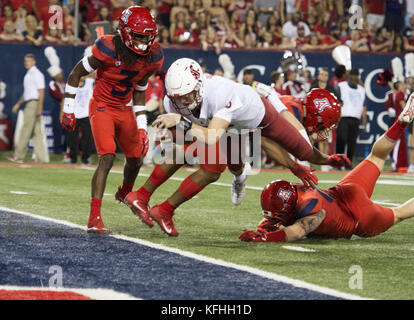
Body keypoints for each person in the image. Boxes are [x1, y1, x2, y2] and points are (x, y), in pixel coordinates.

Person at [125, 58, 342, 237]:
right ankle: (146, 199)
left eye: (187, 95)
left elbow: (258, 136)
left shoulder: (222, 93)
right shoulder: (177, 99)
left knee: (297, 152)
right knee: (195, 158)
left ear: (199, 86)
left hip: (257, 117)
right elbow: (193, 136)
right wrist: (176, 135)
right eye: (178, 98)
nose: (183, 102)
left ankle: (239, 178)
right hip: (224, 123)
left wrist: (316, 161)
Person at [239, 93, 414, 242]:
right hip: (345, 191)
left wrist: (266, 237)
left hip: (359, 217)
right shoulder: (295, 193)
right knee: (376, 157)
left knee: (398, 213)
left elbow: (298, 231)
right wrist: (262, 228)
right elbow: (275, 214)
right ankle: (400, 124)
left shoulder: (309, 208)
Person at [61, 6, 164, 234]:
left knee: (137, 158)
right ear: (126, 32)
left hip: (124, 108)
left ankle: (125, 192)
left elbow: (139, 89)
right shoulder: (107, 46)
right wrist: (68, 108)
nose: (145, 42)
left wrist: (141, 127)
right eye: (139, 36)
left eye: (149, 36)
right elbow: (76, 73)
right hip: (102, 106)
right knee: (107, 157)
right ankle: (94, 218)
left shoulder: (154, 55)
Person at [7, 53, 48, 164]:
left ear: (34, 62)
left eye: (28, 61)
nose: (26, 63)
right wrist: (18, 104)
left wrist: (39, 107)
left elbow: (41, 91)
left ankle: (18, 156)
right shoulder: (29, 74)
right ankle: (41, 158)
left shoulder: (36, 74)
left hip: (33, 104)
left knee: (25, 130)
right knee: (36, 132)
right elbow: (27, 93)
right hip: (31, 103)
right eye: (25, 61)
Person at [335, 68, 367, 169]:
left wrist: (364, 121)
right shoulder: (342, 86)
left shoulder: (362, 90)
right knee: (341, 139)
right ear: (349, 76)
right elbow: (337, 102)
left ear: (358, 77)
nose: (354, 78)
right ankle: (338, 162)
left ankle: (348, 163)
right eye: (352, 76)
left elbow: (364, 106)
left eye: (356, 76)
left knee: (352, 142)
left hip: (356, 119)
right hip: (344, 117)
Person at [67, 73, 95, 165]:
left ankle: (86, 158)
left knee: (87, 137)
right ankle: (72, 158)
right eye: (81, 73)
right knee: (72, 138)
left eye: (84, 74)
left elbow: (97, 76)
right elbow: (67, 98)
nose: (82, 76)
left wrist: (89, 74)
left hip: (86, 114)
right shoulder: (72, 84)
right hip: (74, 114)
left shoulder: (90, 82)